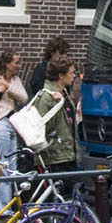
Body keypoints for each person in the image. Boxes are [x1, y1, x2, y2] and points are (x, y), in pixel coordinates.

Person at [31, 55, 81, 194]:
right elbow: (42, 126)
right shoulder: (46, 97)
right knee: (55, 201)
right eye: (71, 73)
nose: (74, 76)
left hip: (68, 156)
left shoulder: (63, 94)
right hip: (54, 159)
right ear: (61, 75)